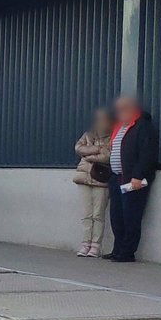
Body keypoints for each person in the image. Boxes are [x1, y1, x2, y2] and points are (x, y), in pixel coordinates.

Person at [104, 94, 160, 263]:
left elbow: (147, 154)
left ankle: (127, 252)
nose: (120, 112)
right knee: (116, 216)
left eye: (124, 108)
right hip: (116, 178)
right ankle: (118, 249)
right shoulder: (118, 127)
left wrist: (138, 175)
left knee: (131, 216)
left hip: (133, 180)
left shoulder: (142, 127)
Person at [72, 108, 113, 257]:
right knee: (86, 214)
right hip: (83, 178)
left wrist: (89, 156)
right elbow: (78, 148)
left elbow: (108, 156)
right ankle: (85, 243)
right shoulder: (88, 135)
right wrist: (96, 149)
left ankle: (96, 245)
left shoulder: (111, 137)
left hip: (101, 179)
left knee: (98, 214)